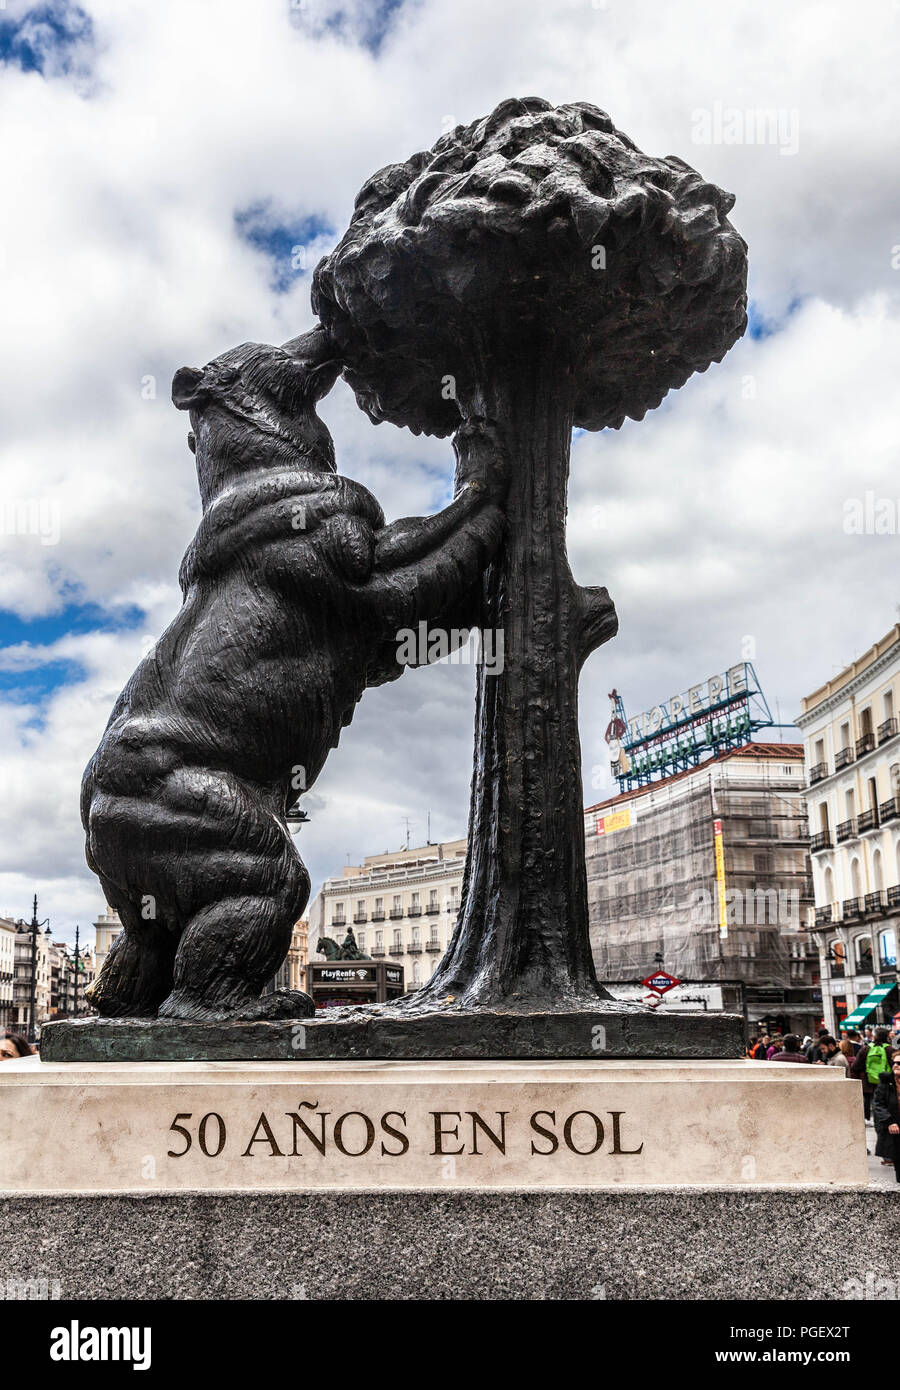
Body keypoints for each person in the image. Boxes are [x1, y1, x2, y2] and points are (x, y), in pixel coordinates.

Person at [851, 1027, 894, 1121]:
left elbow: (855, 1067)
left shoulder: (866, 1049)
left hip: (869, 1082)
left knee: (870, 1101)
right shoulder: (891, 1050)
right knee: (886, 1102)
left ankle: (868, 1119)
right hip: (888, 1082)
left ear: (874, 1036)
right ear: (887, 1037)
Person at [872, 1058, 900, 1183]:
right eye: (894, 1063)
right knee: (898, 1160)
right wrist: (889, 1121)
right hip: (894, 1128)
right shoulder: (885, 1083)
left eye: (899, 1063)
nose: (895, 1065)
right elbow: (878, 1104)